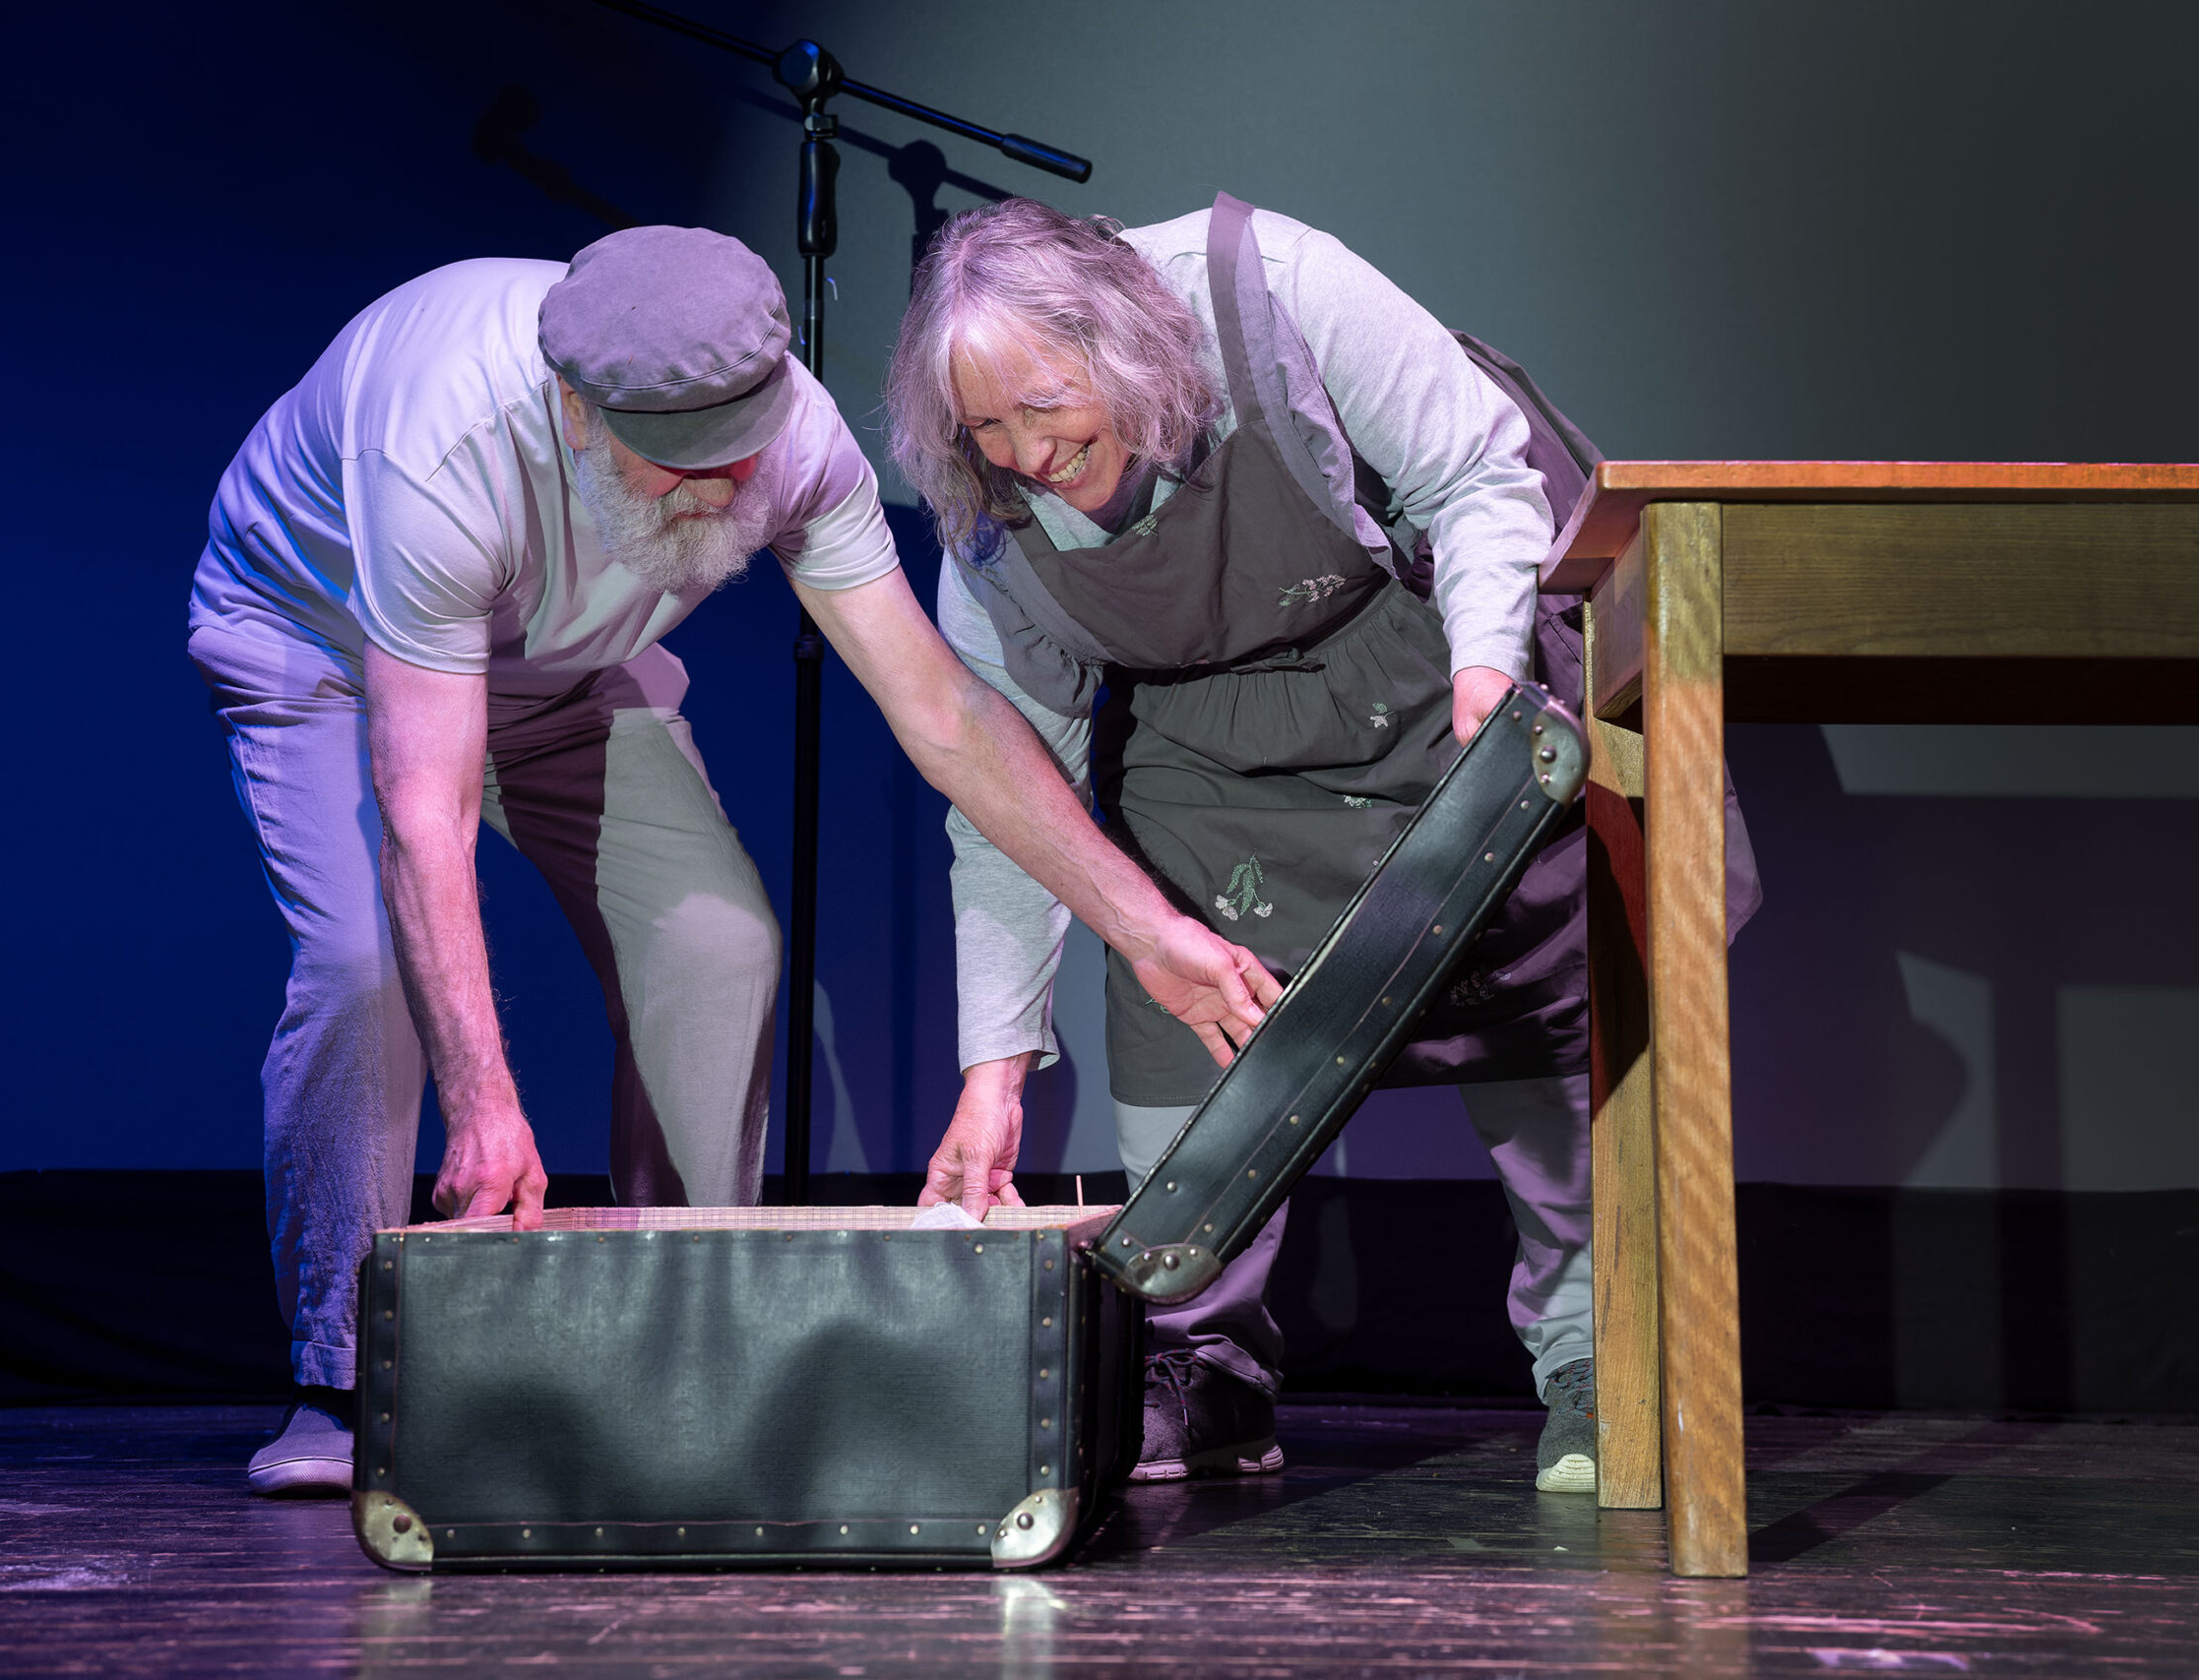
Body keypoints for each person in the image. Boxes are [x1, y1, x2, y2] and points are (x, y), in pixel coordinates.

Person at [188, 225, 1278, 1496]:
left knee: (720, 948)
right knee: (364, 970)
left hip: (568, 672)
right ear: (578, 417)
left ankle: (676, 1339)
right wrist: (484, 1108)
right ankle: (343, 1376)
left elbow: (947, 718)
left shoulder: (798, 439)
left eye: (738, 456)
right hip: (324, 651)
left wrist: (1149, 933)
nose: (718, 491)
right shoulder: (443, 444)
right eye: (678, 465)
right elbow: (424, 807)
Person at [894, 195, 1609, 1492]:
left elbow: (1474, 471)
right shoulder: (989, 525)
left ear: (1123, 347)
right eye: (983, 427)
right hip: (1204, 756)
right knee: (1186, 1010)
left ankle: (1593, 1358)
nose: (1024, 453)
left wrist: (1489, 663)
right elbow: (1006, 801)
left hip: (1417, 681)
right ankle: (1201, 1363)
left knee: (1532, 1009)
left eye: (1046, 406)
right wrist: (993, 1070)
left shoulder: (1270, 287)